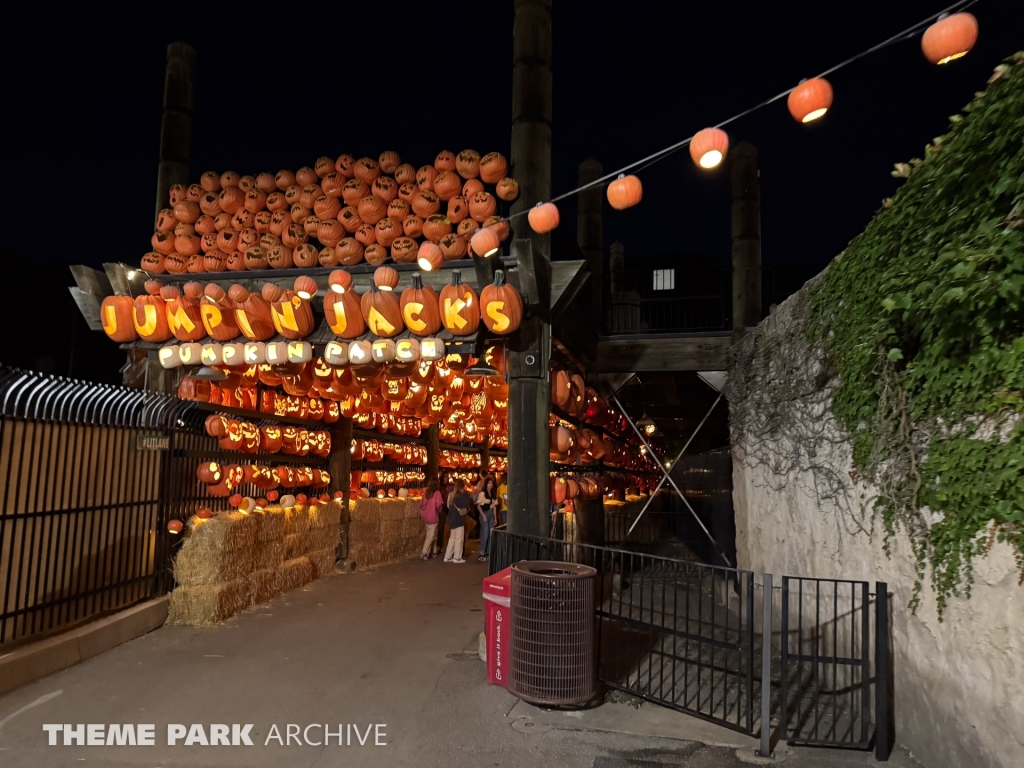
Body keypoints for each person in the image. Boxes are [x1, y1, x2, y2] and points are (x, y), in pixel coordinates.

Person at [445, 479, 472, 563]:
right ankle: (457, 557)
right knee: (459, 538)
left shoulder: (451, 495)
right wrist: (465, 492)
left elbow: (448, 506)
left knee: (452, 538)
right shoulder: (460, 496)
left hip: (452, 518)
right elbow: (468, 502)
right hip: (458, 519)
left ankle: (448, 556)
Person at [418, 479, 443, 559]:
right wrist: (439, 510)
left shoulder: (426, 493)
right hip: (433, 516)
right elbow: (438, 505)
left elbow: (421, 504)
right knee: (431, 536)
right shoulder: (437, 493)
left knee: (432, 533)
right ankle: (424, 552)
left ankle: (433, 551)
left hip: (426, 516)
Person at [475, 476, 498, 562]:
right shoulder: (482, 494)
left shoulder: (493, 493)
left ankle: (488, 552)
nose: (490, 485)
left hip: (490, 514)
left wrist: (495, 518)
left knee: (491, 533)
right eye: (489, 483)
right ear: (486, 484)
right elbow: (478, 506)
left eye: (491, 483)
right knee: (485, 533)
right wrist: (483, 515)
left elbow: (494, 506)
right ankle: (482, 552)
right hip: (484, 513)